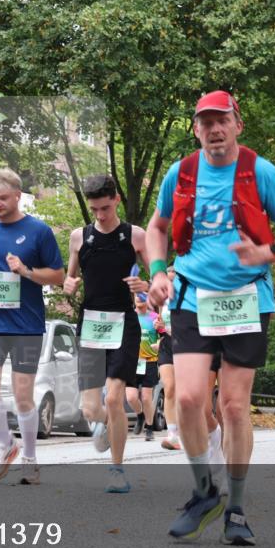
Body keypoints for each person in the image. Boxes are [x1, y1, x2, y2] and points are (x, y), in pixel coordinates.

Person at [146, 90, 275, 545]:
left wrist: (267, 251)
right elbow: (157, 229)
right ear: (196, 129)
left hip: (245, 298)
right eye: (205, 123)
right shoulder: (179, 173)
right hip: (192, 297)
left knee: (234, 407)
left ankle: (236, 509)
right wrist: (158, 272)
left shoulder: (261, 172)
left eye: (222, 120)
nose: (214, 130)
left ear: (238, 123)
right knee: (187, 401)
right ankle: (204, 492)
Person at [0, 168, 65, 484]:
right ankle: (5, 443)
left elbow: (58, 276)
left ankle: (30, 458)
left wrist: (24, 270)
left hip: (25, 325)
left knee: (24, 395)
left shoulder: (38, 231)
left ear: (18, 196)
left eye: (3, 198)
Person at [63, 174, 149, 493]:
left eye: (105, 207)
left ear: (116, 199)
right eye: (95, 209)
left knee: (114, 398)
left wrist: (146, 286)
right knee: (90, 409)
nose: (100, 215)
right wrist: (68, 284)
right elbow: (69, 278)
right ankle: (105, 427)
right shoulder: (78, 238)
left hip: (123, 322)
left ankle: (117, 468)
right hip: (91, 323)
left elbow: (158, 278)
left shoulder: (135, 236)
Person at [127, 293, 161, 442]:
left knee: (147, 398)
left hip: (149, 361)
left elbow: (164, 336)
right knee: (131, 397)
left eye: (142, 295)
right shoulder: (128, 316)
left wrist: (159, 344)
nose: (139, 298)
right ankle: (140, 415)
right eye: (137, 295)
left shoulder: (155, 317)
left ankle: (149, 428)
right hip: (131, 362)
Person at [157, 269, 182, 452]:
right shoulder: (162, 301)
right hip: (166, 345)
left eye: (174, 280)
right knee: (169, 387)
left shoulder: (186, 298)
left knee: (185, 392)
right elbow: (161, 324)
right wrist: (160, 329)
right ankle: (172, 434)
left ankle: (186, 430)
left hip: (185, 345)